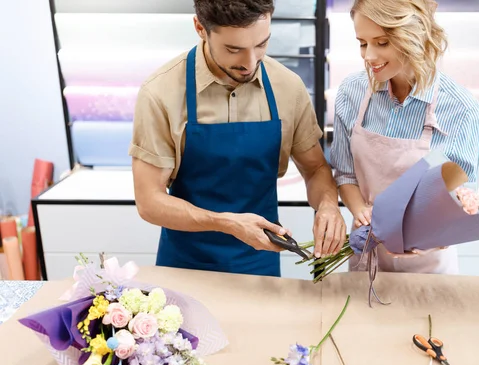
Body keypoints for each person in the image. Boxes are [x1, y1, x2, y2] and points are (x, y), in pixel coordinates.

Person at [129, 0, 346, 277]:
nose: (250, 62)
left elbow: (315, 168)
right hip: (186, 263)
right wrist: (227, 223)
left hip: (259, 262)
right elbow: (149, 201)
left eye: (262, 45)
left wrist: (328, 205)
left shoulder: (288, 87)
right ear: (200, 28)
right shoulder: (161, 93)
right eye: (234, 49)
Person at [330, 0, 479, 274]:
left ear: (415, 37)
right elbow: (345, 175)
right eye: (363, 43)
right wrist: (360, 211)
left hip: (428, 267)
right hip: (367, 260)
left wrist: (424, 238)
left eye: (382, 42)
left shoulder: (462, 109)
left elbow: (462, 200)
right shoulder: (351, 93)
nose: (368, 56)